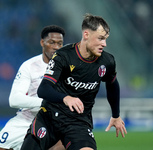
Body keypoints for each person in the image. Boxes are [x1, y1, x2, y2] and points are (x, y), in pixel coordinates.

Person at [20, 13, 127, 150]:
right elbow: (44, 89)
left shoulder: (107, 62)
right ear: (86, 35)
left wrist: (116, 115)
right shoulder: (64, 56)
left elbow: (112, 85)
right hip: (50, 117)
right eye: (100, 39)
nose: (104, 44)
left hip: (79, 122)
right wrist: (66, 98)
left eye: (105, 39)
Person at [0, 25, 66, 150]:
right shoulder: (29, 66)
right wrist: (47, 103)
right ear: (42, 42)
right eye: (52, 42)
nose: (56, 47)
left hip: (54, 123)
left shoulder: (68, 68)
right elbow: (14, 100)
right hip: (26, 120)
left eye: (60, 43)